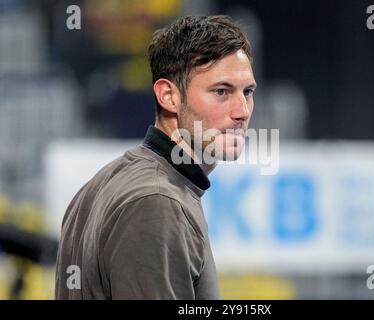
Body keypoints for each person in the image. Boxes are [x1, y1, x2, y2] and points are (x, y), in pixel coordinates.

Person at [55, 15, 256, 299]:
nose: (242, 111)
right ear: (168, 96)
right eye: (221, 91)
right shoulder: (157, 202)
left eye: (247, 92)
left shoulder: (107, 184)